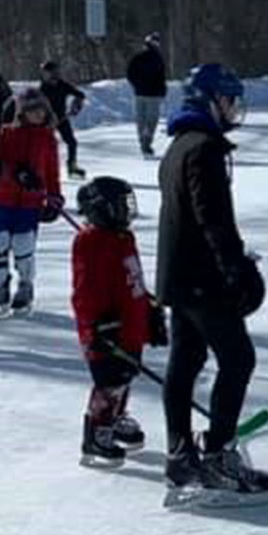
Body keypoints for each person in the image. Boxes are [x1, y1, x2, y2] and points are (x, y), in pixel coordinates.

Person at [158, 63, 268, 505]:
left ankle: (180, 456)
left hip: (180, 276)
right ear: (210, 100)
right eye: (229, 100)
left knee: (186, 361)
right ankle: (218, 458)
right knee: (238, 358)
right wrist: (236, 269)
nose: (234, 109)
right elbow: (212, 217)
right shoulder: (203, 149)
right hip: (202, 278)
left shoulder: (180, 145)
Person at [71, 177, 161, 468]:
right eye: (121, 205)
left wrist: (149, 310)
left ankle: (115, 418)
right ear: (102, 209)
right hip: (105, 331)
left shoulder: (123, 237)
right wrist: (97, 326)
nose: (127, 210)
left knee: (125, 375)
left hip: (130, 325)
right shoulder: (90, 242)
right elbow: (85, 291)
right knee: (109, 382)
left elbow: (131, 278)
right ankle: (97, 432)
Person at [0, 88, 63, 318]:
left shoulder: (47, 138)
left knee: (24, 243)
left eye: (42, 110)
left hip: (31, 201)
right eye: (32, 110)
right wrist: (12, 173)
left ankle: (25, 286)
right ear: (22, 112)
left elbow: (52, 172)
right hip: (5, 197)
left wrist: (54, 197)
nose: (38, 114)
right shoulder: (6, 133)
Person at [39, 60, 88, 179]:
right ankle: (40, 168)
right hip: (47, 121)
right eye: (47, 74)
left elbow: (80, 95)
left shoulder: (62, 85)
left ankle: (72, 166)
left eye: (53, 73)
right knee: (44, 146)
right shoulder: (42, 89)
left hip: (62, 118)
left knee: (72, 142)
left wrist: (76, 105)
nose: (51, 76)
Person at [126, 33, 169, 159]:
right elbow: (161, 77)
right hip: (153, 94)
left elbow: (130, 73)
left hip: (140, 93)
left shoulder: (138, 58)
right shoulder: (158, 59)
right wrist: (162, 91)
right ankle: (147, 141)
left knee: (141, 119)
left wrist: (136, 85)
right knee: (152, 119)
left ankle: (143, 141)